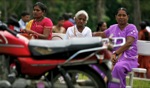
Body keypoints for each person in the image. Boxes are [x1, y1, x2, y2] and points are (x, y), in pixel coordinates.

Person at [93, 7, 139, 88]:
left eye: (124, 15)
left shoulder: (132, 27)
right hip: (112, 57)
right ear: (116, 17)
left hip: (128, 58)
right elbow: (103, 34)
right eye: (119, 15)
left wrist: (115, 53)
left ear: (127, 17)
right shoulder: (112, 28)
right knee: (98, 65)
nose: (121, 17)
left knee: (118, 67)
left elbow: (129, 43)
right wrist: (90, 33)